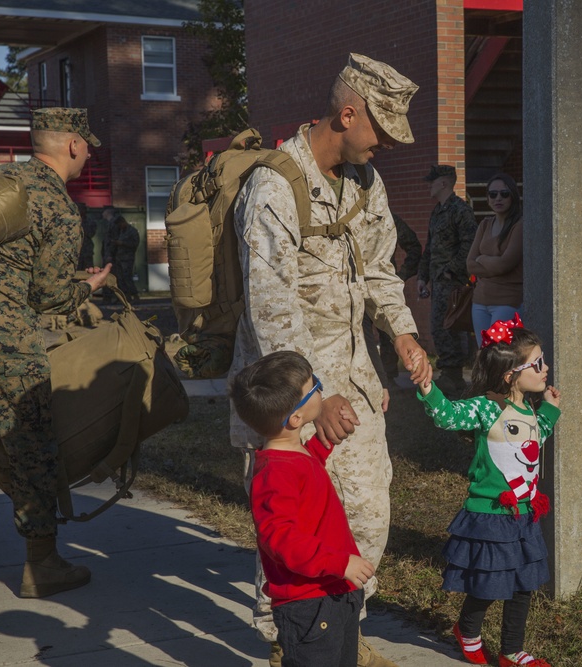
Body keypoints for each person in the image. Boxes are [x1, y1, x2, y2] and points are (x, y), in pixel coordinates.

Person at [229, 53, 432, 667]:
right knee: (291, 529)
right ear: (348, 114)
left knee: (368, 514)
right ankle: (286, 642)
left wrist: (401, 334)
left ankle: (346, 628)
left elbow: (378, 270)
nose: (386, 147)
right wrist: (314, 399)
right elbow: (271, 314)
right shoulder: (273, 187)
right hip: (286, 401)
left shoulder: (365, 184)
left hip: (355, 382)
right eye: (381, 132)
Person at [0, 107, 111, 595]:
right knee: (30, 447)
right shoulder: (55, 202)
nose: (89, 153)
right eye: (87, 144)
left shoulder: (0, 181)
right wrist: (88, 288)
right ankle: (42, 564)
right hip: (5, 338)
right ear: (72, 144)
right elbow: (48, 296)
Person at [416, 315, 560, 667]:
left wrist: (551, 413)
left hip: (524, 513)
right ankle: (467, 631)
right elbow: (447, 416)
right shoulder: (487, 406)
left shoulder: (528, 407)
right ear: (511, 374)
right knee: (489, 583)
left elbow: (535, 437)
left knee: (524, 584)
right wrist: (427, 389)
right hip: (491, 515)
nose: (546, 368)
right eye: (537, 363)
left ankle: (512, 650)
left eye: (544, 361)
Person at [230, 351, 375, 666]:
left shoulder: (292, 454)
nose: (321, 390)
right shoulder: (274, 474)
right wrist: (339, 562)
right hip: (309, 605)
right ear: (295, 418)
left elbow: (306, 476)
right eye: (315, 387)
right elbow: (281, 538)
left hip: (334, 591)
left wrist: (324, 445)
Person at [417, 164, 478, 397]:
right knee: (439, 327)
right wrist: (423, 277)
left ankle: (454, 376)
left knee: (451, 326)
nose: (429, 186)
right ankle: (450, 374)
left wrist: (450, 271)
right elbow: (429, 248)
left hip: (452, 282)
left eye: (432, 182)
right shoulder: (437, 211)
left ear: (443, 183)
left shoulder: (461, 211)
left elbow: (469, 245)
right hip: (437, 280)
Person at [467, 173, 524, 345]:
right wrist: (494, 262)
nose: (498, 198)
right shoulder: (485, 224)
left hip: (507, 303)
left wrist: (482, 258)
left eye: (504, 194)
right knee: (484, 355)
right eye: (493, 194)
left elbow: (505, 264)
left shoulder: (520, 225)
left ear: (513, 196)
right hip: (480, 302)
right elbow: (470, 264)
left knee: (499, 355)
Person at [374, 211, 422, 380]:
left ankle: (389, 377)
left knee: (389, 333)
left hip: (381, 284)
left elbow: (413, 246)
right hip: (349, 286)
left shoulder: (387, 217)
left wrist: (402, 275)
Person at [106, 209, 140, 302]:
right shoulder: (120, 231)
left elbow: (134, 244)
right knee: (120, 279)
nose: (120, 227)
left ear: (123, 222)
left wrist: (122, 243)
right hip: (119, 258)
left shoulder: (132, 231)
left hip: (127, 259)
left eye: (120, 224)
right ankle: (126, 297)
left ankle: (135, 295)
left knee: (127, 277)